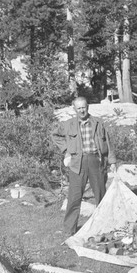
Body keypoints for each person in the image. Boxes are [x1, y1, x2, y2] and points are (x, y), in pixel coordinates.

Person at [52, 97, 117, 236]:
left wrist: (112, 161)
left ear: (87, 107)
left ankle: (104, 226)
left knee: (100, 195)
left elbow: (109, 143)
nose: (82, 110)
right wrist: (66, 150)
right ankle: (69, 230)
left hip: (96, 161)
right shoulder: (68, 124)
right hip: (77, 163)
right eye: (79, 108)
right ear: (74, 109)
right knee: (74, 197)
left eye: (84, 107)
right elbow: (54, 135)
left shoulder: (98, 123)